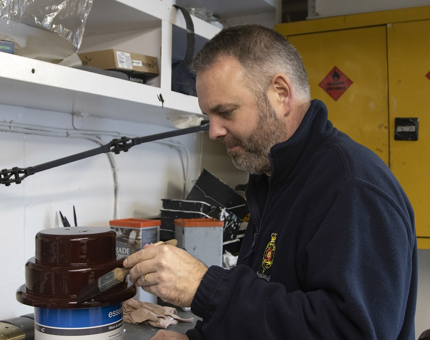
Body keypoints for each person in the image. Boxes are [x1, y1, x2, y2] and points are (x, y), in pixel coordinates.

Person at [123, 24, 418, 339]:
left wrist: (204, 287)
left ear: (281, 94)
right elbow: (266, 313)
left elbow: (349, 332)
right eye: (209, 117)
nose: (214, 132)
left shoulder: (351, 187)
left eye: (226, 112)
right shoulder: (271, 180)